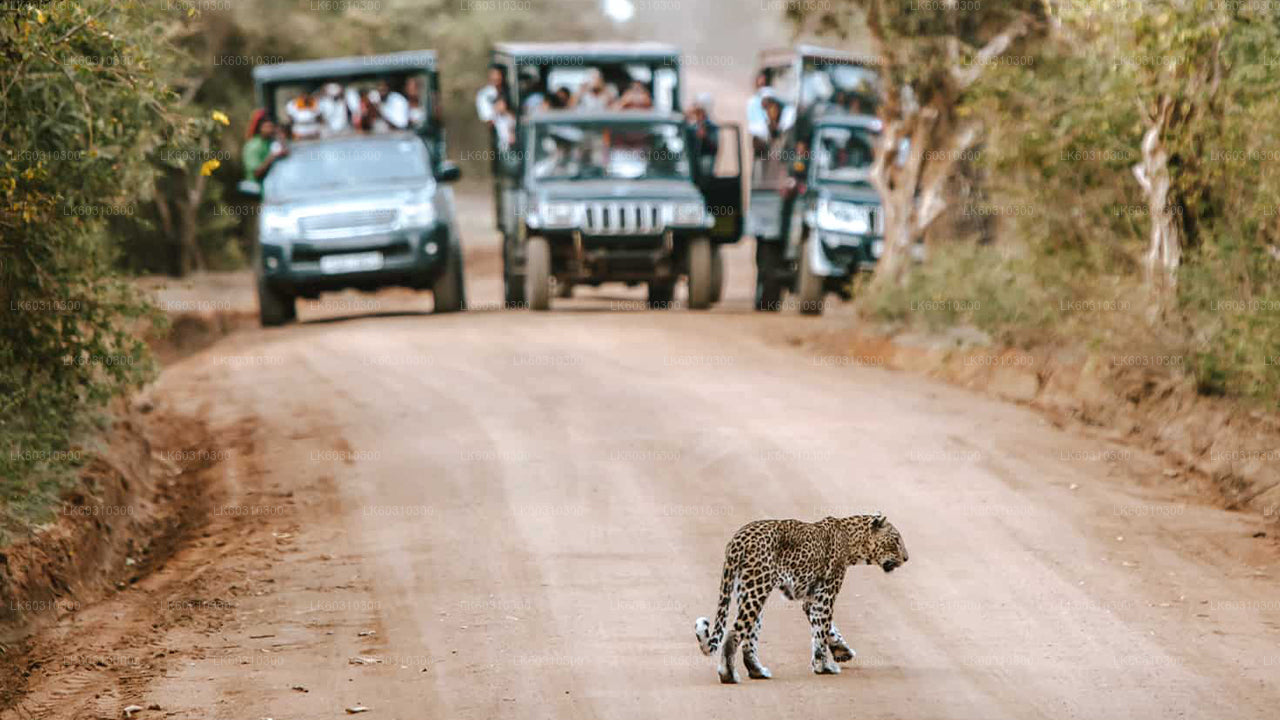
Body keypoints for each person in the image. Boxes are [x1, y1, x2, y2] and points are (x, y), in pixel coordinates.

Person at [243, 113, 287, 182]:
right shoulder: (253, 146)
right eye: (268, 127)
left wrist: (280, 137)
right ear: (260, 128)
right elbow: (257, 173)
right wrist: (272, 157)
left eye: (272, 127)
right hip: (255, 188)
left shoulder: (270, 142)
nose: (271, 130)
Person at [686, 93, 719, 175]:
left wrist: (704, 137)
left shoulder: (711, 126)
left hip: (705, 157)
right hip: (692, 159)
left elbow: (714, 146)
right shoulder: (692, 124)